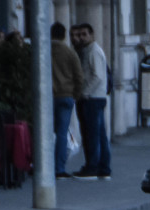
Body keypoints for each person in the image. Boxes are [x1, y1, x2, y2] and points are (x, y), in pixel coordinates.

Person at [71, 23, 111, 180]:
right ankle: (103, 167)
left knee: (92, 134)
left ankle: (92, 167)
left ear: (91, 35)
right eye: (78, 35)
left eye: (84, 34)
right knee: (98, 134)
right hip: (95, 97)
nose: (80, 37)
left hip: (92, 98)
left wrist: (84, 93)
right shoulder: (86, 51)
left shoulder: (93, 51)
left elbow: (98, 76)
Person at [50, 22, 83, 177]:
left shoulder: (43, 50)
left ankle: (44, 165)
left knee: (46, 133)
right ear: (64, 35)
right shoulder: (70, 53)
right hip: (66, 96)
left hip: (48, 97)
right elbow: (79, 76)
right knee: (62, 133)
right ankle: (59, 168)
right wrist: (75, 95)